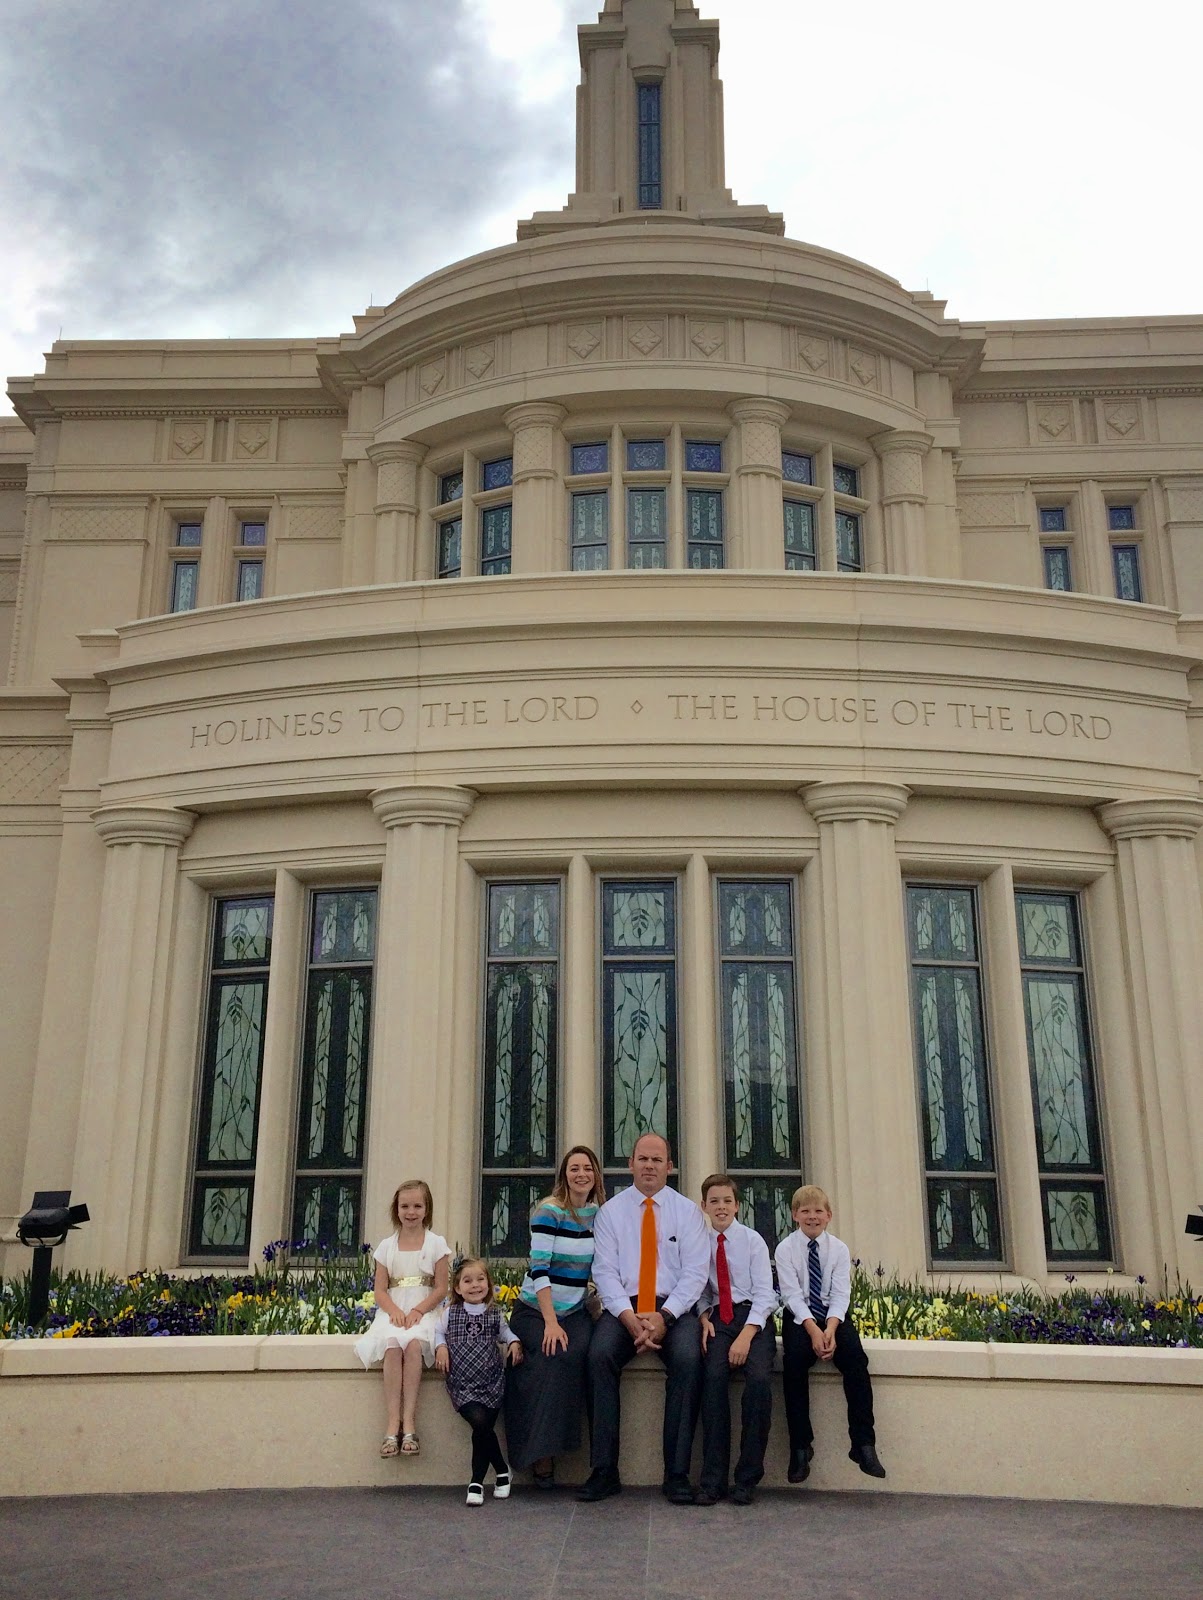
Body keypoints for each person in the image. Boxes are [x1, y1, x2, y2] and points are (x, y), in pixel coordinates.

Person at [578, 1131, 710, 1505]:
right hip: (625, 1307)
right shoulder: (610, 1213)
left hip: (675, 1308)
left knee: (688, 1359)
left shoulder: (687, 1213)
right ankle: (604, 1470)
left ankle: (677, 1474)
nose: (649, 1166)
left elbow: (696, 1273)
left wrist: (665, 1316)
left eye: (657, 1160)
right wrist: (628, 1318)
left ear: (669, 1167)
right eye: (643, 1159)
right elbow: (603, 1271)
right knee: (598, 1355)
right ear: (630, 1164)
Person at [504, 1144, 605, 1487]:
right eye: (574, 1168)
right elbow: (540, 1269)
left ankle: (571, 1449)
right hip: (535, 1310)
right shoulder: (549, 1211)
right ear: (564, 1175)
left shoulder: (598, 1215)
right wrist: (549, 1322)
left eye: (587, 1168)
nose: (581, 1174)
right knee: (552, 1352)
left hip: (575, 1311)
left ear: (595, 1175)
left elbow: (602, 1269)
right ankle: (538, 1456)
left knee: (581, 1355)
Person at [775, 1183, 886, 1482]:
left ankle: (863, 1444)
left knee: (856, 1362)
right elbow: (792, 1296)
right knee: (794, 1364)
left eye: (818, 1211)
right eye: (805, 1211)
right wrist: (813, 1330)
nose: (812, 1216)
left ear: (829, 1215)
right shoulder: (785, 1249)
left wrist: (832, 1329)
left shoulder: (838, 1249)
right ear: (795, 1215)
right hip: (801, 1317)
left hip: (833, 1315)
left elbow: (841, 1293)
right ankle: (800, 1448)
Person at [695, 1173, 778, 1506]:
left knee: (758, 1382)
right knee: (712, 1381)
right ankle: (712, 1480)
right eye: (714, 1201)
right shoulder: (699, 1242)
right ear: (704, 1206)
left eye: (727, 1201)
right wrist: (703, 1316)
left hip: (752, 1320)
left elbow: (766, 1294)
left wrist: (746, 1336)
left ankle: (747, 1478)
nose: (721, 1207)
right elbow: (699, 1288)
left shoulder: (752, 1240)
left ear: (737, 1206)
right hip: (718, 1320)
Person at [354, 1179, 451, 1459]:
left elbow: (441, 1287)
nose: (411, 1212)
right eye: (405, 1206)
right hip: (394, 1313)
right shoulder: (386, 1247)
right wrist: (394, 1311)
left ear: (427, 1209)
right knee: (393, 1345)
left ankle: (409, 1422)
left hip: (424, 1312)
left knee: (413, 1346)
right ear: (396, 1209)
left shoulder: (437, 1244)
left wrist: (419, 1310)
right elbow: (380, 1290)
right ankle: (392, 1422)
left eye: (417, 1206)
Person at [435, 1257, 523, 1505]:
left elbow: (505, 1332)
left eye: (480, 1279)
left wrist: (514, 1342)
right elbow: (438, 1332)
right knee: (480, 1423)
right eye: (468, 1281)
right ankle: (500, 1469)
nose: (475, 1285)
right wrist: (440, 1347)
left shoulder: (493, 1313)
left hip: (491, 1383)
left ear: (488, 1283)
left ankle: (478, 1483)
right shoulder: (450, 1313)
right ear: (457, 1287)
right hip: (462, 1384)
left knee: (481, 1432)